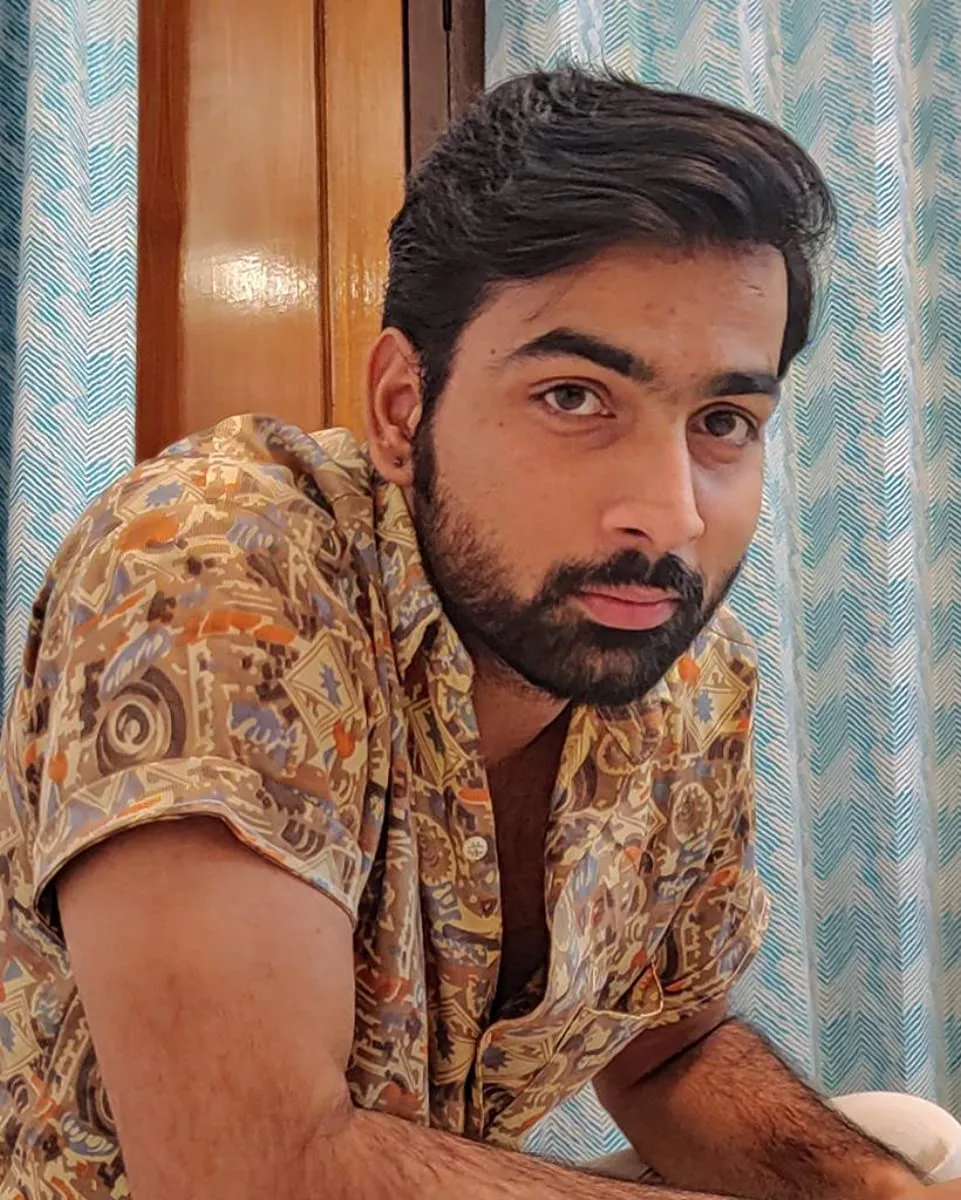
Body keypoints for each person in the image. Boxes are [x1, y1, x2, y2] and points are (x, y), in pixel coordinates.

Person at [0, 66, 950, 1200]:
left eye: (722, 420)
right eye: (574, 397)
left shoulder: (686, 673)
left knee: (906, 1142)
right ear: (403, 408)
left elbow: (667, 1049)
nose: (670, 514)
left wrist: (885, 1195)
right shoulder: (215, 566)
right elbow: (252, 1173)